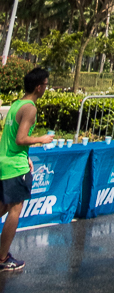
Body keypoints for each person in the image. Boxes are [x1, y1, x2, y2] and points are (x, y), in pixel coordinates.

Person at [0, 67, 54, 272]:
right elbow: (21, 138)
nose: (46, 88)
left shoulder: (17, 104)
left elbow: (13, 138)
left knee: (4, 206)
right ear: (39, 87)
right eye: (46, 85)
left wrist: (27, 157)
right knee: (14, 209)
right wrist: (41, 139)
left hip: (6, 160)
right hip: (15, 167)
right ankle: (3, 258)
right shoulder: (30, 108)